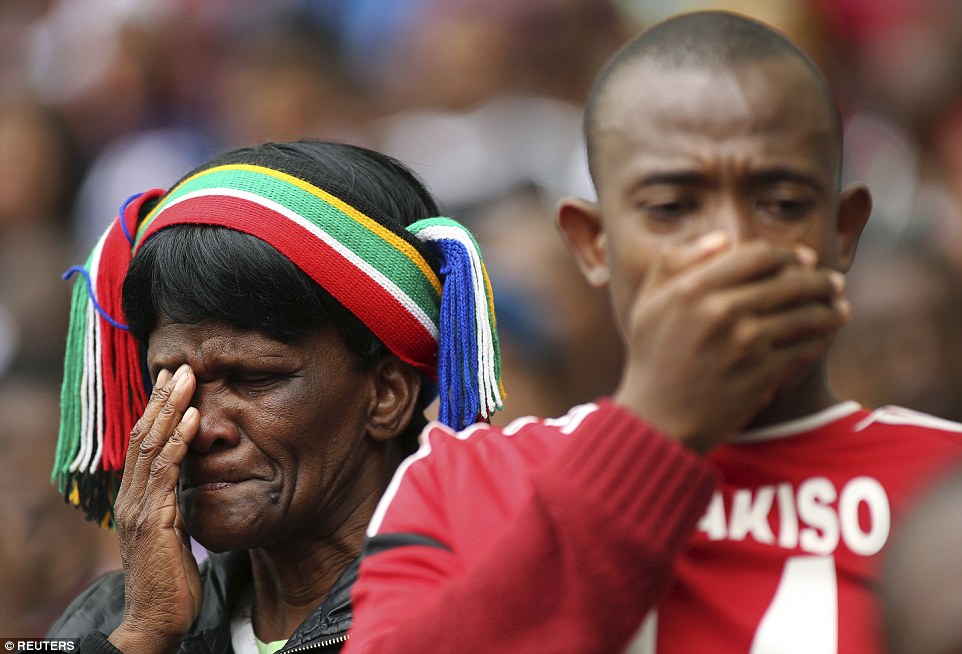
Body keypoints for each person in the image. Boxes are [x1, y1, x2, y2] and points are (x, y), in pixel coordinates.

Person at [344, 11, 962, 654]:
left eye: (782, 204)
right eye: (671, 208)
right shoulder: (465, 481)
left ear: (843, 233)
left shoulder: (947, 479)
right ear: (593, 243)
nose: (729, 245)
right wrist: (653, 432)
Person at [46, 139, 503, 653]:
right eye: (171, 385)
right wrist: (144, 635)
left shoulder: (492, 616)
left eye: (254, 379)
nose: (202, 428)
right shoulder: (112, 622)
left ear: (387, 395)